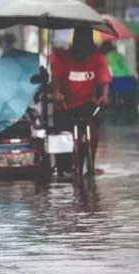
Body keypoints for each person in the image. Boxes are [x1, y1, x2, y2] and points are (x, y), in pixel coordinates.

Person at [50, 27, 111, 176]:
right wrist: (56, 92)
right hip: (64, 105)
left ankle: (90, 166)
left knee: (93, 130)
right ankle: (63, 165)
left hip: (86, 103)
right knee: (61, 136)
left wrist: (104, 95)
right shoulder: (62, 57)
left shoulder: (97, 58)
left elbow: (104, 79)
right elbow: (56, 78)